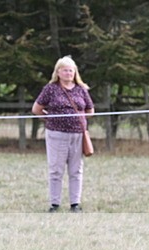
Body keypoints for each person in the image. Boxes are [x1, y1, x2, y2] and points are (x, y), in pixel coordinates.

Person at [32, 56, 94, 213]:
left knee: (76, 170)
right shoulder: (51, 89)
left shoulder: (81, 89)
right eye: (65, 70)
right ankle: (54, 204)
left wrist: (78, 120)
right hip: (56, 135)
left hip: (77, 135)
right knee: (56, 169)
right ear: (58, 72)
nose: (68, 73)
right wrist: (51, 119)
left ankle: (75, 204)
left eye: (71, 70)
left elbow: (90, 110)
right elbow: (36, 109)